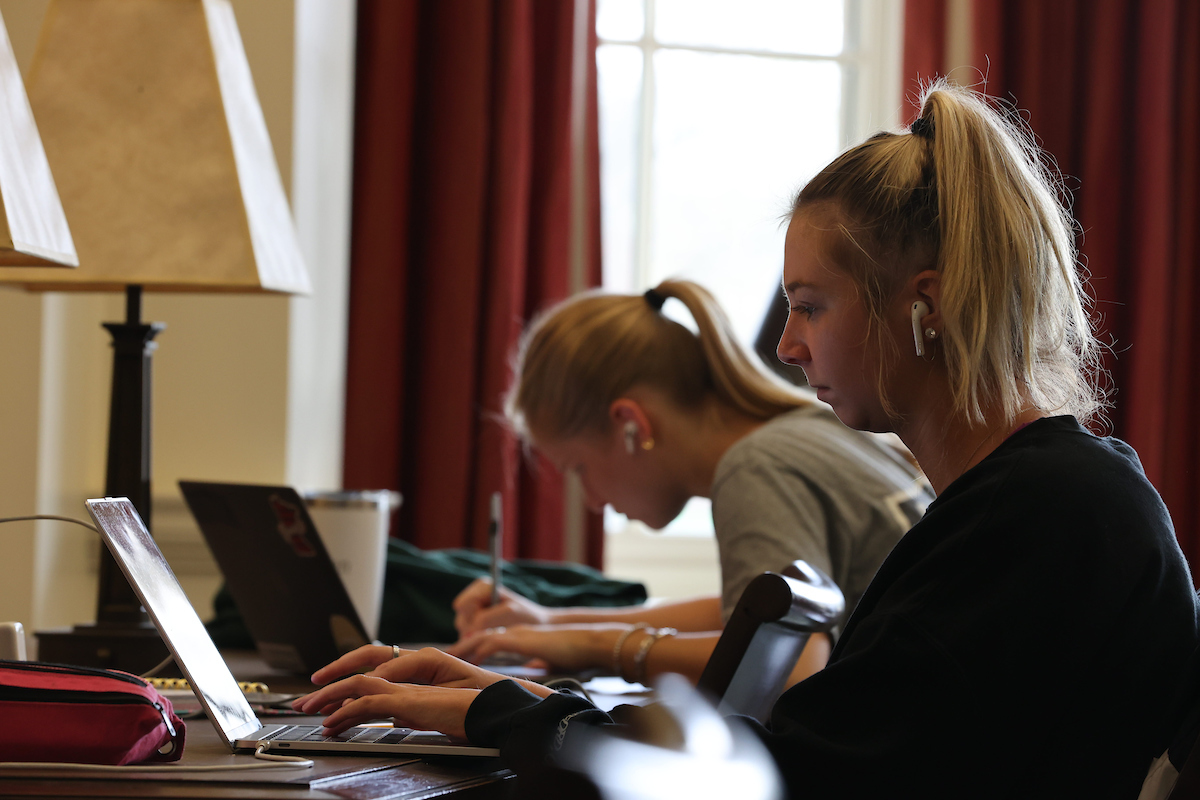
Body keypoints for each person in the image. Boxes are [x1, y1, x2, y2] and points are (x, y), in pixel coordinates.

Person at [294, 80, 1200, 798]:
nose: (786, 345)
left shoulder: (1041, 517)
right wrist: (513, 700)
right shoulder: (1044, 497)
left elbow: (785, 778)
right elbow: (817, 752)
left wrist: (500, 708)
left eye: (811, 306)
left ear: (924, 306)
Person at [446, 278, 931, 686]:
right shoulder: (810, 430)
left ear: (630, 423)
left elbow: (787, 666)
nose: (593, 501)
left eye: (579, 469)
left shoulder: (756, 467)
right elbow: (749, 611)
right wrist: (553, 623)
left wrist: (596, 647)